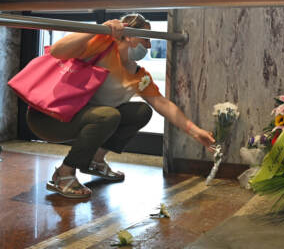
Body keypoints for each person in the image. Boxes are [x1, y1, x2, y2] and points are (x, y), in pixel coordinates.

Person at [26, 13, 215, 198]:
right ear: (130, 36)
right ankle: (64, 173)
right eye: (146, 39)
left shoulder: (138, 74)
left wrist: (195, 131)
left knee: (141, 111)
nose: (149, 45)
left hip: (81, 118)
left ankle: (96, 160)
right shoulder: (102, 46)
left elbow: (163, 104)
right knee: (108, 115)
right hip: (48, 118)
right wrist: (98, 30)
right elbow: (58, 51)